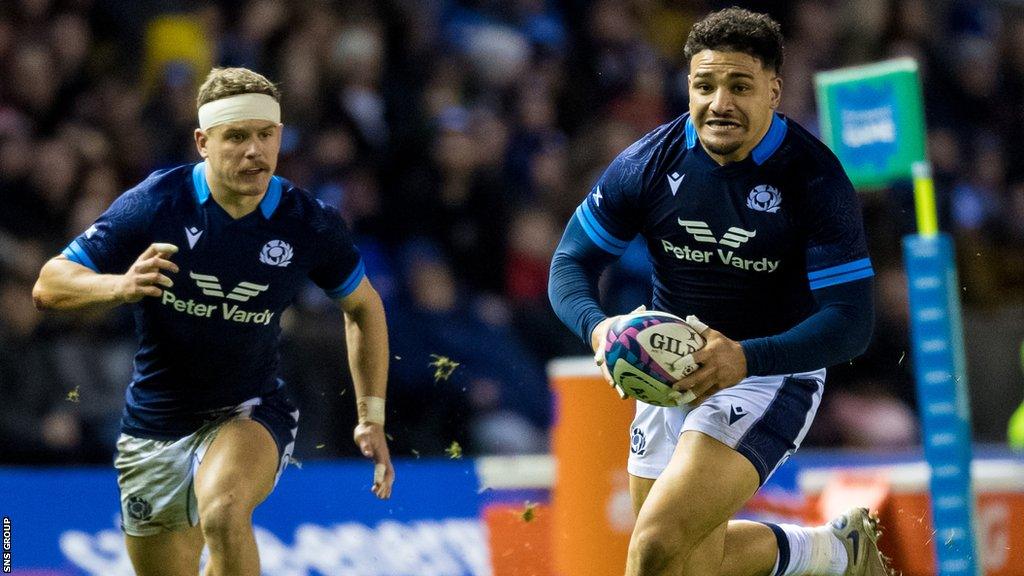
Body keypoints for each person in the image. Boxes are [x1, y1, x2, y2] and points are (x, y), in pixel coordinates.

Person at [549, 8, 892, 576]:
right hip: (666, 373)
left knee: (654, 547)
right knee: (687, 564)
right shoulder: (647, 163)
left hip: (768, 373)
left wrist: (745, 357)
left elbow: (851, 323)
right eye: (704, 86)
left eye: (739, 86)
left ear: (774, 91)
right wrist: (599, 326)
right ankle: (832, 553)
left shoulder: (816, 180)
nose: (719, 103)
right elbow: (570, 263)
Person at [33, 67, 395, 576]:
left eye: (266, 135)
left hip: (248, 411)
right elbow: (48, 284)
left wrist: (370, 414)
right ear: (203, 142)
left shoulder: (306, 222)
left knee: (225, 511)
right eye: (237, 136)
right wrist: (120, 285)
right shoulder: (158, 202)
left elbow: (364, 307)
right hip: (153, 426)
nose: (255, 151)